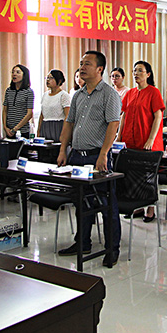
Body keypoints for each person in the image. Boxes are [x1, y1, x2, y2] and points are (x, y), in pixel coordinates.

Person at [57, 51, 122, 267]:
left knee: (106, 205)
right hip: (77, 156)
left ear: (99, 69)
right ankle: (82, 243)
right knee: (81, 203)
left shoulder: (109, 94)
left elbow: (113, 125)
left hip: (97, 156)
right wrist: (63, 150)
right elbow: (69, 123)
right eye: (81, 63)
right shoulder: (78, 95)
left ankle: (112, 248)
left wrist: (103, 154)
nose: (82, 67)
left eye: (87, 64)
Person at [118, 60, 165, 222]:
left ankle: (150, 209)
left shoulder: (153, 92)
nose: (136, 74)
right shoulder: (130, 93)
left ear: (148, 74)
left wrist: (151, 139)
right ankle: (137, 206)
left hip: (147, 141)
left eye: (140, 70)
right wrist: (119, 136)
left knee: (148, 177)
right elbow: (124, 115)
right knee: (132, 174)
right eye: (134, 71)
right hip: (130, 140)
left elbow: (158, 116)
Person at [37, 69, 70, 142]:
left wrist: (64, 133)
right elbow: (42, 115)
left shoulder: (63, 95)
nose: (48, 80)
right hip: (45, 126)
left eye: (51, 78)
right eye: (47, 78)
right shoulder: (45, 95)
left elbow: (67, 116)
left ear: (59, 81)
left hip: (58, 126)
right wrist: (38, 131)